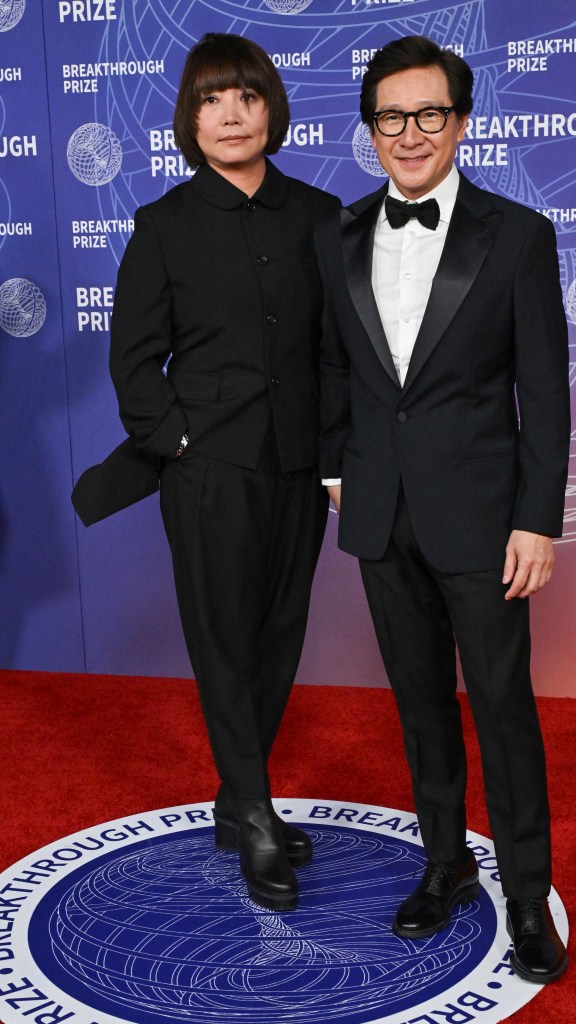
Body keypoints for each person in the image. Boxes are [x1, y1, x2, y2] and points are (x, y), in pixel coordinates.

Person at [317, 36, 570, 982]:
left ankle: (525, 896)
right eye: (391, 117)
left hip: (484, 518)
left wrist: (537, 517)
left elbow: (543, 390)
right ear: (370, 130)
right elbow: (333, 370)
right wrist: (335, 475)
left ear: (460, 123)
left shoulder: (517, 234)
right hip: (380, 517)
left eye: (429, 114)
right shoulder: (334, 236)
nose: (410, 134)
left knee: (502, 710)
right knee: (420, 708)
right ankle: (444, 868)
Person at [108, 33, 340, 912]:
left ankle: (235, 794)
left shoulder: (323, 217)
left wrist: (335, 451)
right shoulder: (162, 225)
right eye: (211, 99)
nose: (231, 113)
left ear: (271, 108)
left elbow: (338, 352)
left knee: (277, 637)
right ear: (190, 119)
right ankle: (252, 818)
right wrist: (179, 444)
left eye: (245, 95)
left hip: (300, 469)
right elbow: (134, 362)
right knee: (222, 643)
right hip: (208, 473)